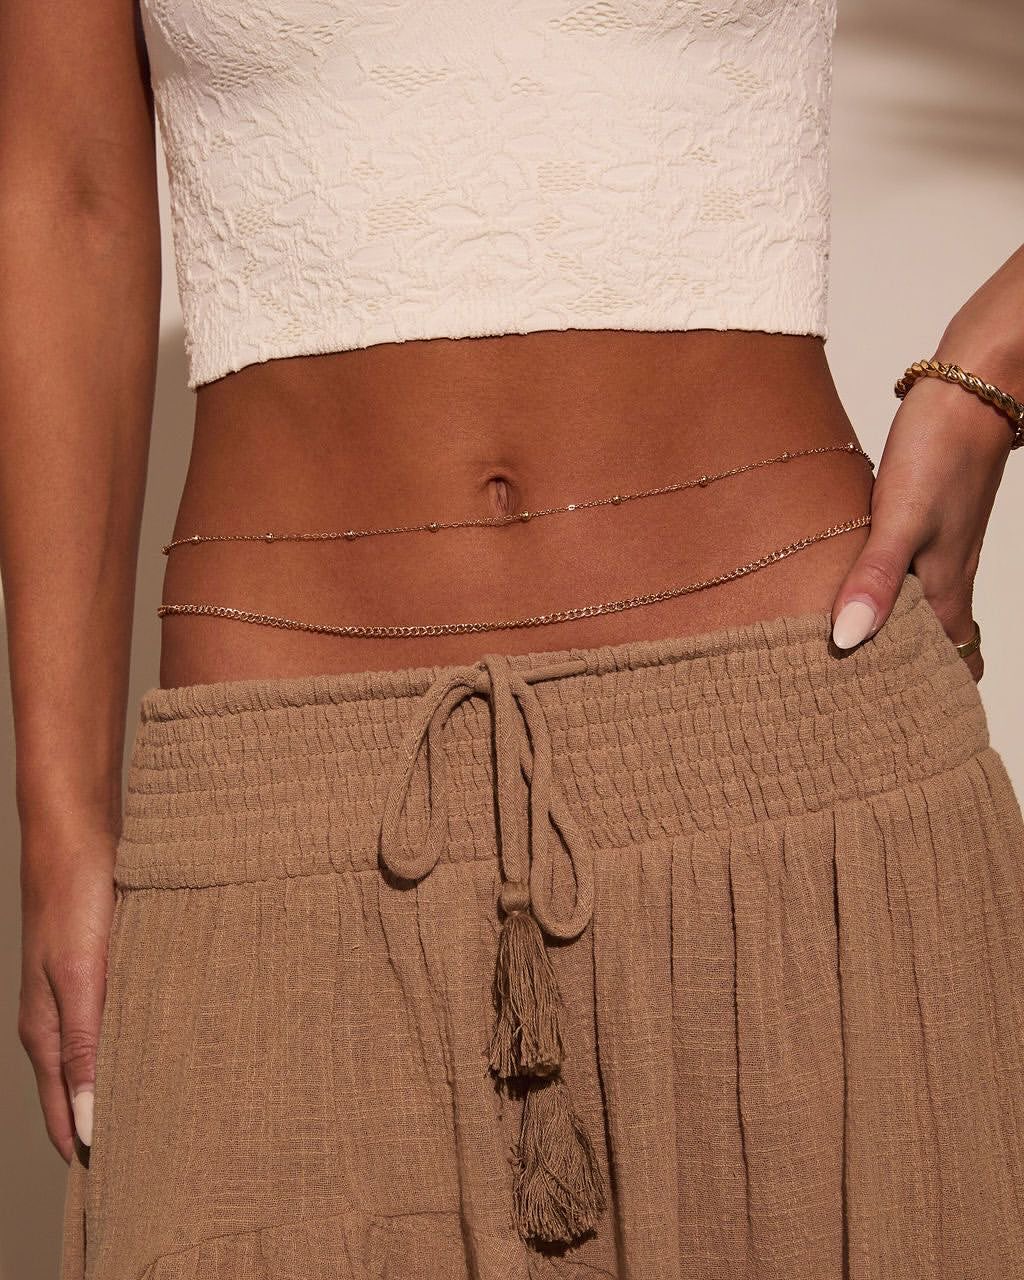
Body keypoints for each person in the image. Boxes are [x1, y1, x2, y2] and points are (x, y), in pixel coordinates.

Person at [2, 0, 1023, 1275]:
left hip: (796, 775)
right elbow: (70, 198)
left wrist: (992, 372)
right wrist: (62, 823)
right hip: (283, 818)